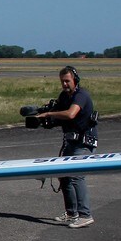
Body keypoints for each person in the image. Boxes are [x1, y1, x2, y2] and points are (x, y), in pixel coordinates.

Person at [39, 66, 98, 229]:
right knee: (63, 175)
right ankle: (72, 212)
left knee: (76, 174)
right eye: (62, 81)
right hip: (70, 141)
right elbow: (60, 115)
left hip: (83, 142)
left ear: (75, 80)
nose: (64, 84)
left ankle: (85, 215)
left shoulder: (81, 95)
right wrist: (45, 119)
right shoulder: (64, 96)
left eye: (67, 81)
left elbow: (71, 114)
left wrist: (49, 115)